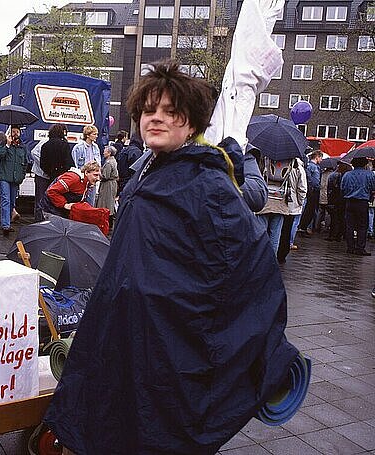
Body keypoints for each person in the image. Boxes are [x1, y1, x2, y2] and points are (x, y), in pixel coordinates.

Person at [44, 61, 297, 455]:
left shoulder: (207, 181)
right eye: (149, 110)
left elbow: (249, 265)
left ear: (191, 122)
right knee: (114, 420)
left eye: (170, 111)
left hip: (167, 340)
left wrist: (179, 304)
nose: (156, 118)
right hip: (125, 327)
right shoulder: (150, 168)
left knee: (157, 429)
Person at [0, 125, 28, 236]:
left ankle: (7, 221)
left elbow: (25, 162)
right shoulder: (4, 144)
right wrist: (7, 145)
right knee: (5, 199)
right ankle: (6, 225)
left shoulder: (22, 147)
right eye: (13, 131)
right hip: (4, 176)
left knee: (12, 201)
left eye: (17, 132)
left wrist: (22, 175)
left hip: (15, 178)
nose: (15, 134)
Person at [341, 157, 375, 255]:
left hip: (350, 202)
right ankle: (360, 247)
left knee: (349, 225)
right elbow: (373, 187)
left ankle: (350, 247)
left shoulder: (347, 175)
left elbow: (342, 188)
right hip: (362, 202)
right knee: (362, 226)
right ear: (364, 164)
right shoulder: (369, 174)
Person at [297, 150, 323, 235]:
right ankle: (303, 228)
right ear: (317, 157)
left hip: (313, 189)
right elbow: (310, 178)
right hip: (312, 190)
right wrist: (313, 186)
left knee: (310, 210)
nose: (321, 160)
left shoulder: (314, 166)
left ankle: (303, 227)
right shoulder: (312, 167)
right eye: (321, 158)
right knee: (309, 210)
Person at [326, 161, 352, 242]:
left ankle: (334, 234)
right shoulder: (347, 175)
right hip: (344, 199)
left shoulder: (335, 175)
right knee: (342, 218)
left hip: (335, 199)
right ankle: (341, 234)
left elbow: (331, 187)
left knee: (335, 217)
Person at [96, 145, 118, 224]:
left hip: (108, 185)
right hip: (112, 184)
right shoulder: (113, 161)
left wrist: (98, 173)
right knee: (110, 202)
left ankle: (107, 222)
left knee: (106, 202)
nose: (103, 152)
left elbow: (105, 176)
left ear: (109, 153)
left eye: (105, 151)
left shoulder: (108, 163)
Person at [30, 135, 50, 222]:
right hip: (41, 175)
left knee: (47, 200)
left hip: (49, 175)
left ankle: (45, 221)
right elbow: (34, 152)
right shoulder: (45, 141)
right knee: (40, 199)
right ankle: (38, 221)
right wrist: (43, 165)